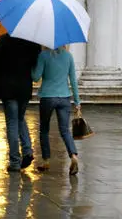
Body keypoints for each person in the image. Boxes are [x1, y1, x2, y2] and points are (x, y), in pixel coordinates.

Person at [0, 24, 42, 172]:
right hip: (24, 87)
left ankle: (15, 161)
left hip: (7, 87)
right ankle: (27, 150)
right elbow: (36, 63)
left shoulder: (3, 40)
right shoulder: (32, 43)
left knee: (12, 122)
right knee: (20, 118)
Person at [31, 46, 81, 175]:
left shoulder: (44, 55)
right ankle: (73, 155)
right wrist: (77, 101)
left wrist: (32, 67)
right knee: (64, 130)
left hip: (47, 97)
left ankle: (46, 160)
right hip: (64, 97)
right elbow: (73, 81)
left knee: (44, 130)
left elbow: (36, 77)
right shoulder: (68, 56)